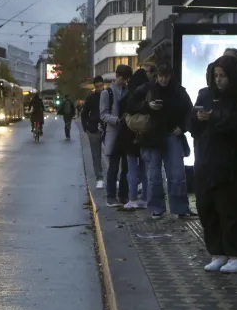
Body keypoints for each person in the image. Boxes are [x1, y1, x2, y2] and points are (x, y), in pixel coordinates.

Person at [191, 56, 237, 273]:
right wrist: (197, 119)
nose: (219, 80)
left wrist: (215, 118)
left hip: (231, 163)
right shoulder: (205, 94)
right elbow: (191, 122)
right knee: (206, 209)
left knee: (230, 211)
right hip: (205, 161)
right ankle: (217, 252)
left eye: (223, 76)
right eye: (216, 76)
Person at [128, 61, 194, 219]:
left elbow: (188, 111)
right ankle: (157, 208)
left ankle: (179, 207)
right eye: (161, 76)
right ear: (156, 76)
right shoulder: (147, 88)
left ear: (170, 76)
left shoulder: (178, 91)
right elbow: (130, 105)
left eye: (166, 77)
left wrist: (182, 127)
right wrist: (147, 106)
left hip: (171, 134)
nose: (163, 80)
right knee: (154, 176)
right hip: (152, 135)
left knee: (177, 174)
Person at [101, 65, 136, 208]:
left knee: (126, 167)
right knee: (113, 167)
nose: (123, 81)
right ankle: (110, 197)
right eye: (122, 78)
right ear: (117, 76)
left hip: (126, 134)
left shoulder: (128, 91)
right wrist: (116, 120)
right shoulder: (107, 93)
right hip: (114, 134)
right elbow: (103, 114)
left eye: (126, 79)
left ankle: (123, 195)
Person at [82, 76, 106, 188]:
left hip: (108, 128)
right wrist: (86, 127)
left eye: (101, 85)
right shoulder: (91, 98)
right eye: (97, 86)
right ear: (94, 87)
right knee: (96, 155)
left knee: (111, 154)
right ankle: (99, 178)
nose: (99, 88)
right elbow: (84, 113)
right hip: (94, 129)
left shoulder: (108, 95)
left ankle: (113, 178)